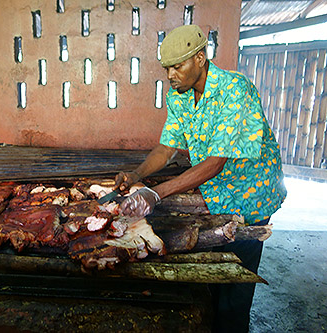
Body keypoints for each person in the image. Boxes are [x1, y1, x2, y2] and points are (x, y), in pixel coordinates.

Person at [114, 25, 287, 332]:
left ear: (200, 58)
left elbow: (215, 162)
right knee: (213, 274)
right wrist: (137, 174)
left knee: (235, 285)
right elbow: (168, 146)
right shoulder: (179, 97)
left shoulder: (234, 90)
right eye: (167, 68)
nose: (170, 75)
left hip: (251, 194)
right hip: (215, 193)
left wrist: (156, 193)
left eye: (177, 67)